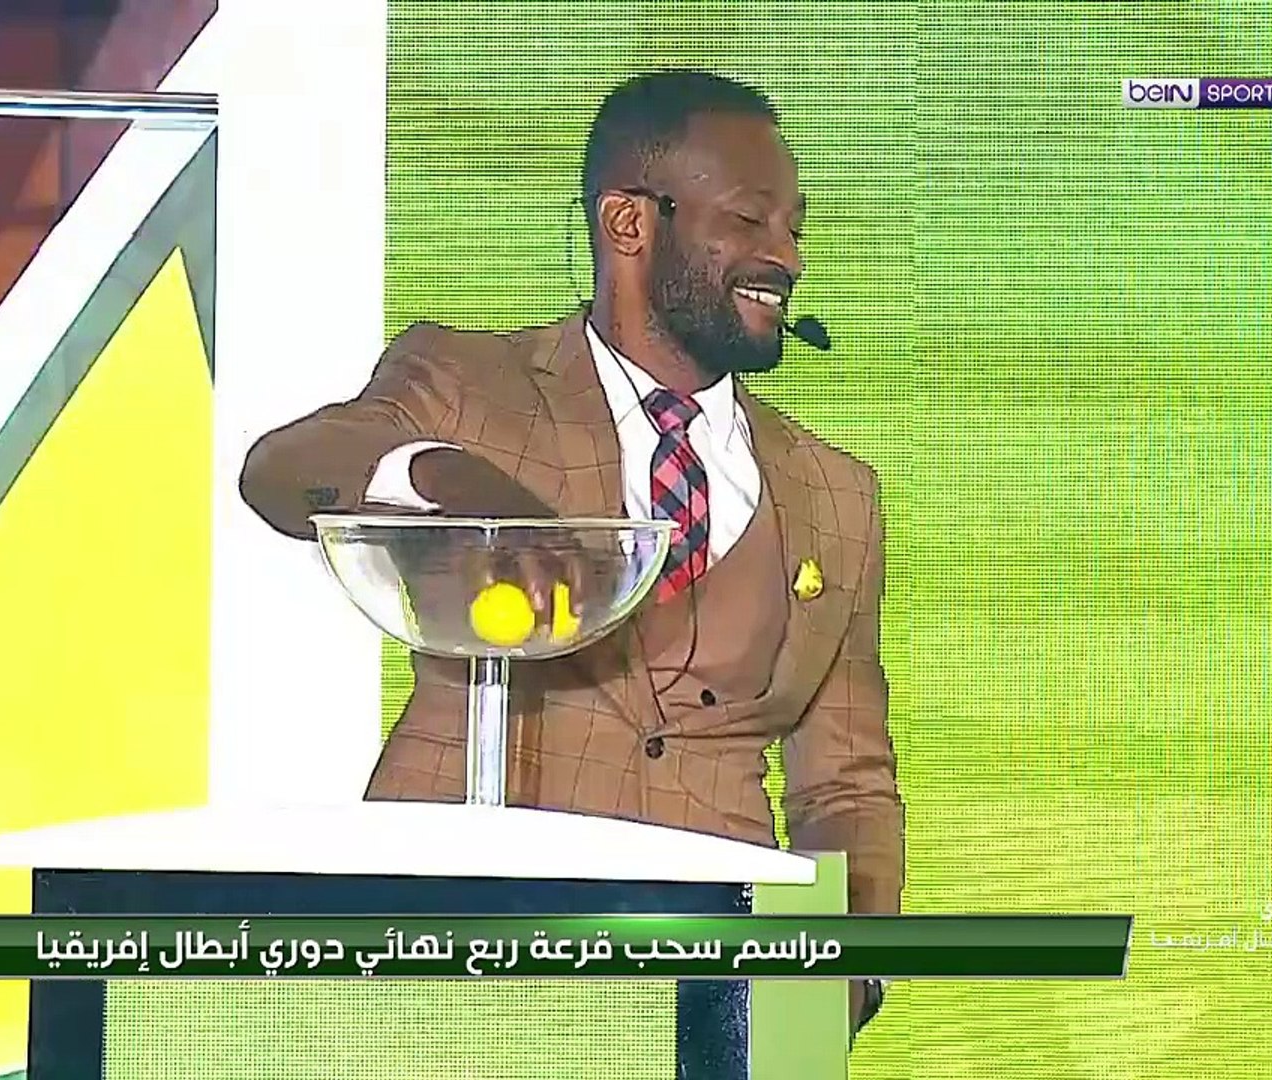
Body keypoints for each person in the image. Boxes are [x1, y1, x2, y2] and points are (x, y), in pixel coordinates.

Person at [240, 68, 902, 1038]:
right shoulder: (472, 383)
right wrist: (437, 475)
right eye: (748, 221)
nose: (785, 257)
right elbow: (283, 470)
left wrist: (844, 980)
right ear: (629, 223)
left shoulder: (837, 494)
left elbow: (845, 784)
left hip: (710, 1004)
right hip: (457, 982)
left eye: (794, 229)